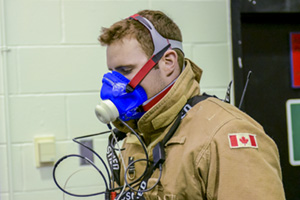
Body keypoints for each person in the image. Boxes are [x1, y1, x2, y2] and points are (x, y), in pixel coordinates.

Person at [97, 9, 285, 199]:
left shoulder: (224, 135)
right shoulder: (136, 135)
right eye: (112, 72)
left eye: (126, 70)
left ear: (168, 62)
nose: (115, 84)